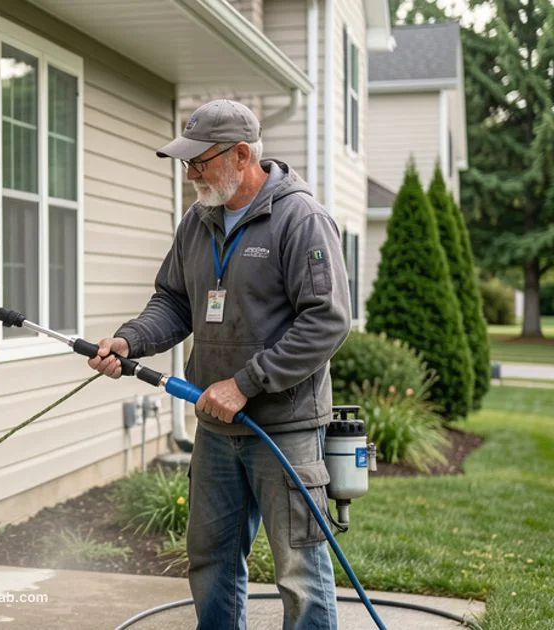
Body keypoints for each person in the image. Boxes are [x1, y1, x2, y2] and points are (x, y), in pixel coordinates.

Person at [87, 99, 351, 629]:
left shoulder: (301, 220)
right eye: (186, 162)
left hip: (284, 427)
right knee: (211, 559)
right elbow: (174, 300)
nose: (190, 173)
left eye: (199, 162)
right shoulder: (198, 221)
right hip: (214, 423)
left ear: (242, 155)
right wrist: (131, 340)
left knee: (299, 570)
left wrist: (246, 384)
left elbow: (327, 321)